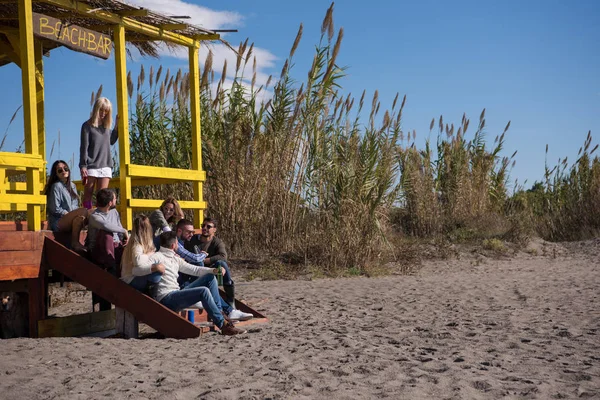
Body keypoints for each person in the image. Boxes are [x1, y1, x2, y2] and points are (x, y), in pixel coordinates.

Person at [153, 232, 245, 336]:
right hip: (166, 298)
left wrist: (213, 271)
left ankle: (220, 314)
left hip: (176, 293)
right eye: (178, 243)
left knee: (210, 278)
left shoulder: (174, 259)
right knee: (203, 291)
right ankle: (223, 326)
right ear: (174, 245)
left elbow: (195, 270)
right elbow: (138, 268)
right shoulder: (156, 257)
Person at [175, 218, 253, 321]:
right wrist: (203, 261)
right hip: (190, 276)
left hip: (200, 271)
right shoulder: (187, 241)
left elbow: (222, 256)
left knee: (221, 264)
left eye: (208, 226)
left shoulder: (216, 242)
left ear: (214, 229)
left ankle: (229, 301)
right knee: (206, 279)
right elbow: (193, 259)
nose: (204, 228)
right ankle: (227, 312)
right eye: (203, 226)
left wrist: (208, 262)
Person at [79, 97, 119, 210]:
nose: (103, 113)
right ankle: (86, 219)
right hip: (91, 166)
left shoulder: (107, 127)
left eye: (106, 111)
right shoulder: (86, 126)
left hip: (105, 166)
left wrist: (116, 126)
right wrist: (83, 165)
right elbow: (84, 147)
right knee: (88, 196)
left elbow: (111, 141)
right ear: (96, 109)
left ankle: (99, 222)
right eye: (101, 110)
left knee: (102, 198)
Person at [45, 160, 88, 252]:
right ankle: (75, 243)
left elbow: (75, 205)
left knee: (86, 214)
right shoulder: (56, 186)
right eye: (60, 170)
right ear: (55, 174)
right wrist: (69, 214)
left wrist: (73, 215)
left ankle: (85, 243)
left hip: (70, 218)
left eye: (65, 168)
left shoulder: (72, 185)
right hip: (58, 221)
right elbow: (54, 208)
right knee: (83, 211)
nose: (64, 171)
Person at [87, 188, 128, 276]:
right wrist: (124, 230)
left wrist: (125, 239)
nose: (116, 200)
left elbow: (118, 228)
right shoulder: (95, 216)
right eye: (114, 199)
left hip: (116, 246)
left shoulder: (114, 212)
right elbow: (106, 226)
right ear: (110, 203)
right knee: (107, 234)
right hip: (99, 250)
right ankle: (111, 267)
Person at [120, 215, 165, 292]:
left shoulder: (141, 243)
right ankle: (152, 297)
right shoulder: (136, 245)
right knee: (157, 270)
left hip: (136, 276)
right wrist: (149, 254)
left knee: (158, 265)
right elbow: (138, 261)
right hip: (131, 279)